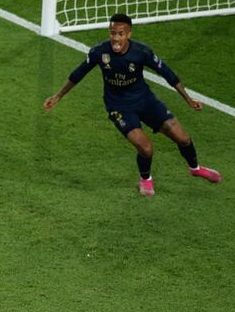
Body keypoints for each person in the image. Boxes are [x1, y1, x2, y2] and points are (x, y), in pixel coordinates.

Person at [43, 13, 221, 196]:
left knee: (182, 137)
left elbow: (167, 73)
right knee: (145, 148)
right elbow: (78, 73)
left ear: (129, 34)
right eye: (112, 33)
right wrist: (58, 96)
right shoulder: (99, 52)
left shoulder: (141, 52)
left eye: (120, 34)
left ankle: (195, 168)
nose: (115, 38)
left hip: (145, 100)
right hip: (118, 107)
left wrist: (188, 99)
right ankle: (145, 180)